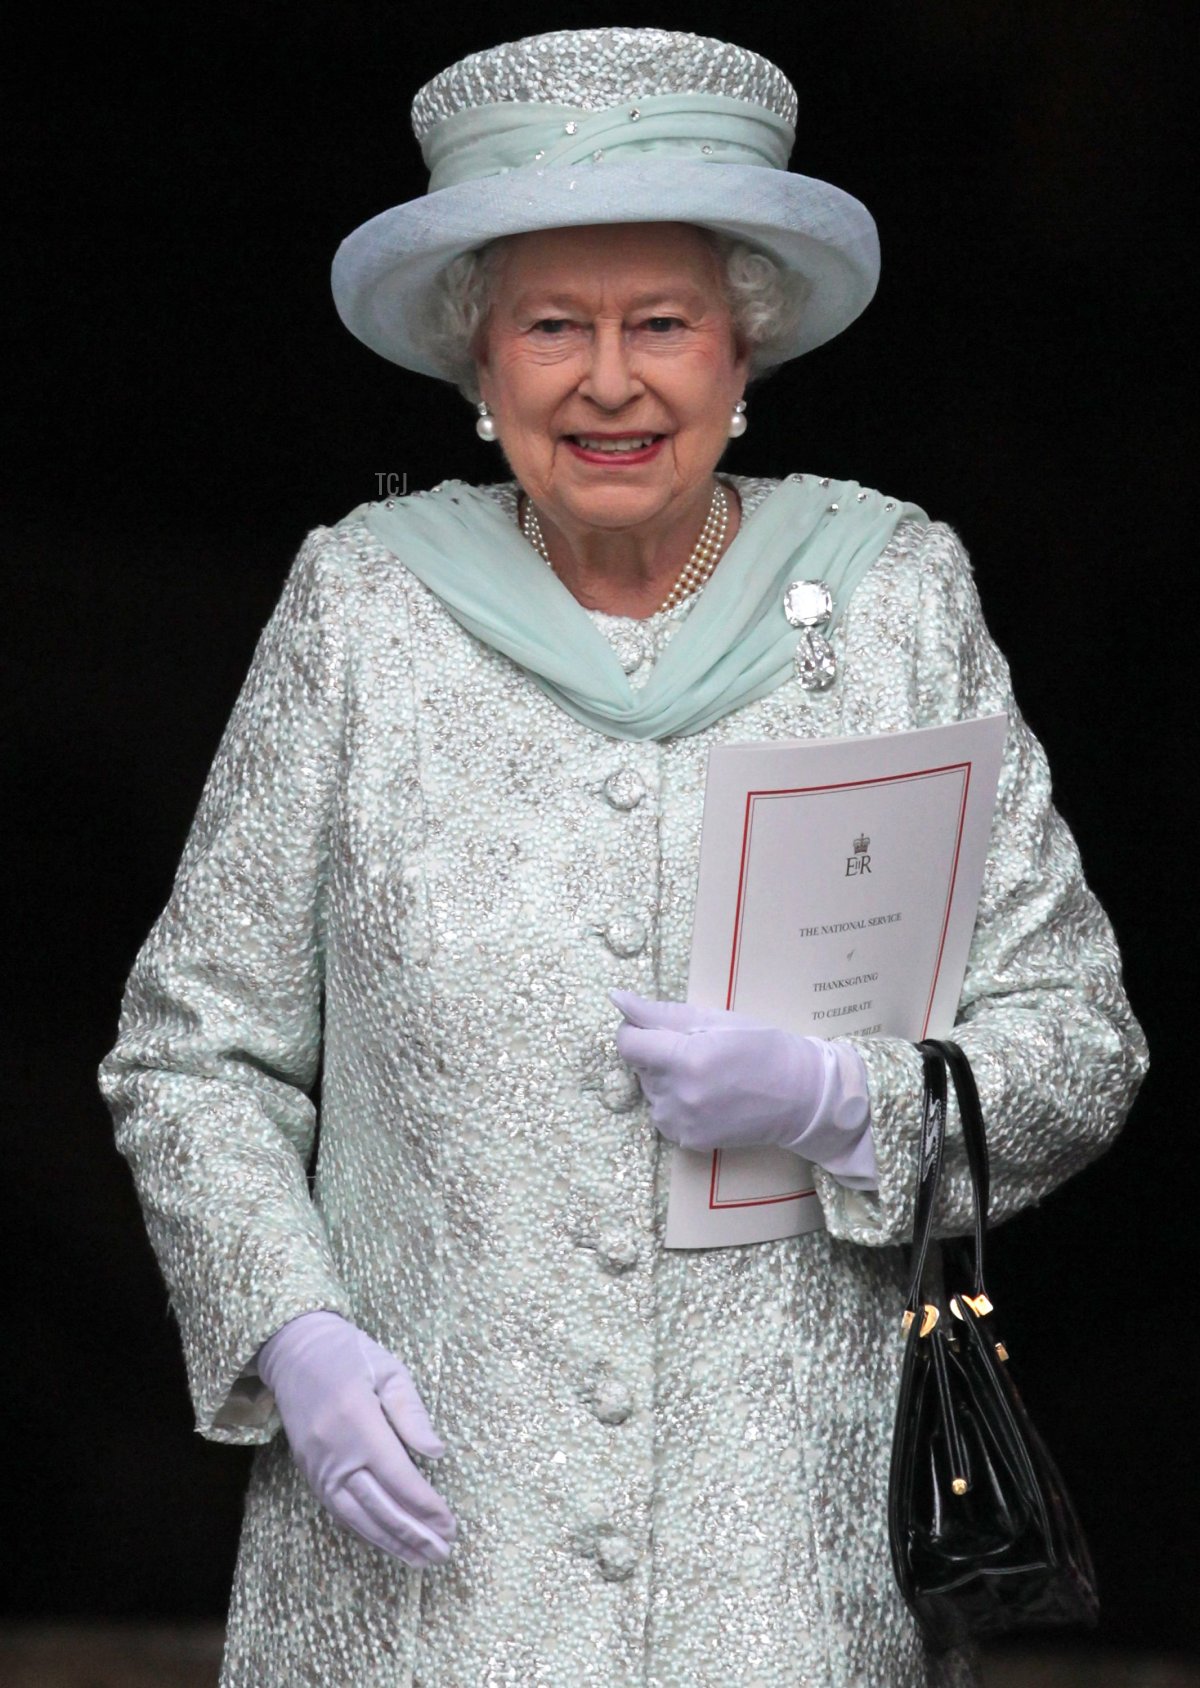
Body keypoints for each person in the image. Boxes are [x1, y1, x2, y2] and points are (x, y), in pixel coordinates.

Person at [97, 25, 1147, 1688]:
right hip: (424, 1562)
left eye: (662, 324)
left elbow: (1079, 1041)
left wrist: (842, 1099)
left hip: (779, 1580)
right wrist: (288, 1327)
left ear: (748, 349)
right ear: (477, 364)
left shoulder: (891, 599)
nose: (609, 381)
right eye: (552, 328)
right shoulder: (363, 610)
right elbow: (193, 1052)